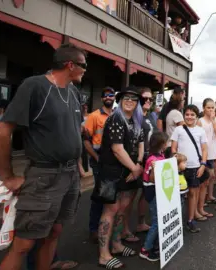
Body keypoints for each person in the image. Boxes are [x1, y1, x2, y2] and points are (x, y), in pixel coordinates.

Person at [0, 43, 86, 270]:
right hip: (44, 175)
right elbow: (3, 131)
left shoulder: (74, 92)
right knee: (25, 242)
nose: (85, 70)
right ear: (69, 65)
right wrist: (8, 177)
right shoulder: (34, 86)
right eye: (83, 65)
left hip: (70, 174)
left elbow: (75, 131)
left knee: (54, 232)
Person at [93, 86, 145, 269]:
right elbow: (117, 148)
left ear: (137, 103)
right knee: (110, 210)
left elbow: (141, 143)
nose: (129, 101)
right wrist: (135, 168)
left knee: (123, 209)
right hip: (112, 172)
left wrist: (137, 164)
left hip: (129, 171)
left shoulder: (137, 121)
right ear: (120, 101)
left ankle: (115, 244)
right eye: (126, 98)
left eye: (133, 98)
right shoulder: (116, 118)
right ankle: (104, 255)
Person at [170, 105, 209, 233]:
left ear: (196, 116)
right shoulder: (178, 130)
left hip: (195, 167)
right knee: (176, 195)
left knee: (192, 194)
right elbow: (173, 148)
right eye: (187, 114)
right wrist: (176, 161)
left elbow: (204, 149)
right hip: (180, 168)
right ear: (184, 115)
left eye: (192, 114)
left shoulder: (200, 131)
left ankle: (190, 220)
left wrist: (203, 164)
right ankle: (174, 222)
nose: (189, 117)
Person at [84, 86, 115, 243]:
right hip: (99, 161)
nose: (109, 97)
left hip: (114, 162)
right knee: (99, 196)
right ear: (102, 98)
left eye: (111, 95)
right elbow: (86, 141)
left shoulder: (117, 115)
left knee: (111, 195)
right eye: (106, 95)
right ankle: (93, 229)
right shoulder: (93, 116)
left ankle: (106, 227)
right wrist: (96, 157)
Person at [139, 131, 168, 262]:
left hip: (157, 192)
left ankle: (155, 244)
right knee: (156, 221)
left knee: (159, 219)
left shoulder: (159, 156)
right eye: (166, 142)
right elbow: (152, 179)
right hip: (153, 193)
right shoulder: (153, 160)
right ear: (161, 144)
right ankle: (146, 249)